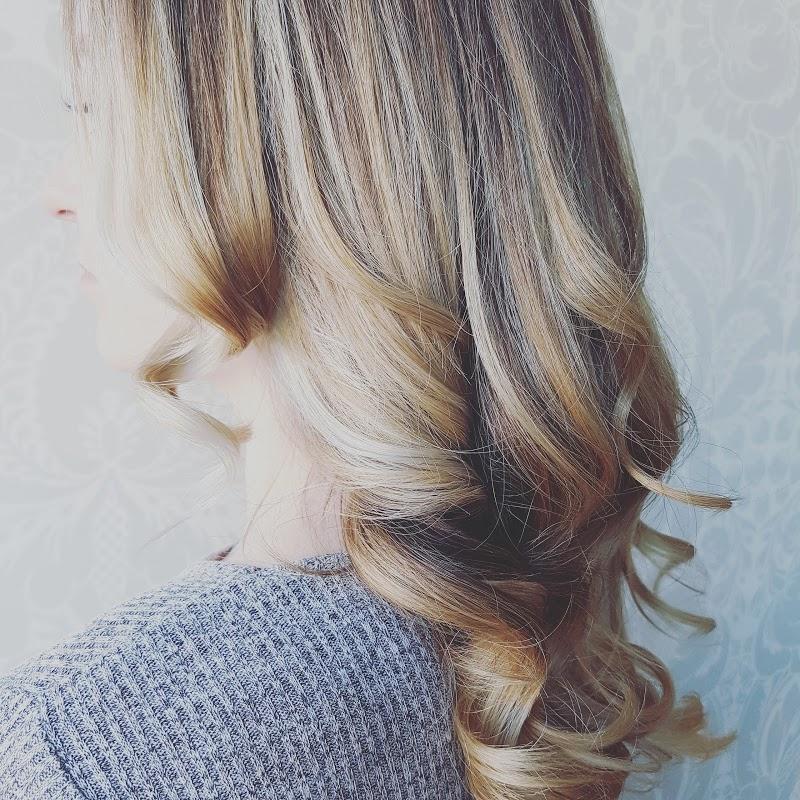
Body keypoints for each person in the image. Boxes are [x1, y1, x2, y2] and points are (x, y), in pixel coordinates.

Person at [0, 1, 739, 798]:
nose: (55, 193)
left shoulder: (79, 749)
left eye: (94, 108)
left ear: (290, 159)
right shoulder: (530, 628)